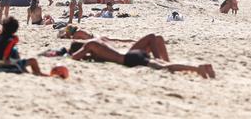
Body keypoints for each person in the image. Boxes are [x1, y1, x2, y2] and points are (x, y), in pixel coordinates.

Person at [69, 34, 215, 78]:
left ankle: (198, 69)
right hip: (131, 54)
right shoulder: (98, 42)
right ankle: (202, 68)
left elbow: (74, 57)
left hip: (129, 59)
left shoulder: (90, 46)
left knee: (163, 66)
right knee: (163, 65)